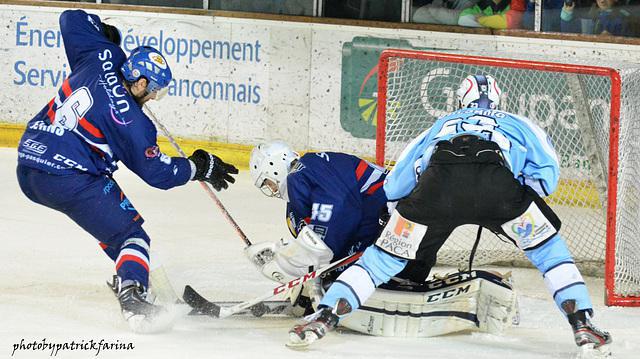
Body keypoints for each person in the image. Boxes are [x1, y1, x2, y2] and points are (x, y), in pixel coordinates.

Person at [287, 74, 612, 351]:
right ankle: (583, 325)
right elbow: (547, 176)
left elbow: (396, 185)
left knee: (379, 262)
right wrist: (514, 202)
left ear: (461, 100)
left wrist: (410, 217)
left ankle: (325, 317)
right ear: (498, 101)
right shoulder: (519, 123)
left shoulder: (442, 123)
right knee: (551, 254)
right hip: (498, 189)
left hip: (436, 187)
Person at [16, 9, 238, 332]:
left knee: (114, 227)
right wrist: (198, 166)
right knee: (132, 235)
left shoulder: (103, 53)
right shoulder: (133, 124)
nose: (152, 99)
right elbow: (158, 173)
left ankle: (129, 271)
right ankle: (133, 298)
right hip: (68, 177)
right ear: (142, 83)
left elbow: (70, 19)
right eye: (153, 91)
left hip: (28, 163)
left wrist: (105, 32)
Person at [245, 141, 519, 337]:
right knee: (393, 277)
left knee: (354, 276)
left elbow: (339, 215)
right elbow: (319, 239)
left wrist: (300, 260)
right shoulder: (299, 196)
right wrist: (295, 261)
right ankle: (487, 281)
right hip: (409, 216)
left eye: (267, 182)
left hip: (405, 217)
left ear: (276, 166)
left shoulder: (306, 170)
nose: (271, 190)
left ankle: (488, 281)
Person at [560, 0, 633, 36]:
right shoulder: (591, 15)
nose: (602, 1)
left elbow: (630, 39)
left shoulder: (623, 17)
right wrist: (567, 17)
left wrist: (613, 38)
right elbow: (568, 35)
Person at [457, 0, 526, 29]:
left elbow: (510, 22)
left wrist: (481, 20)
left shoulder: (516, 4)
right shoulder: (484, 5)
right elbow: (463, 19)